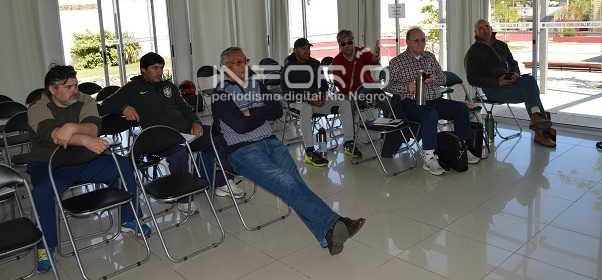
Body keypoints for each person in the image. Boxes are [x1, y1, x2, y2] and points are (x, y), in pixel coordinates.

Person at [213, 46, 365, 255]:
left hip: (271, 142)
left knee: (295, 185)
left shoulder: (256, 84)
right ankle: (337, 223)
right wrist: (261, 112)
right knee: (289, 184)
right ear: (225, 67)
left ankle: (328, 236)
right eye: (238, 62)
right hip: (243, 151)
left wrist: (251, 112)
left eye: (245, 61)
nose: (244, 66)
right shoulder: (220, 95)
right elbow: (240, 126)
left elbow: (276, 110)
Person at [27, 65, 151, 272]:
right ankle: (46, 246)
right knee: (42, 192)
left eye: (75, 85)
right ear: (52, 89)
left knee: (123, 166)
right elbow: (57, 136)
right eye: (68, 87)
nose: (75, 90)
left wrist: (73, 128)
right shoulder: (37, 107)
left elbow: (93, 127)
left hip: (83, 160)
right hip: (49, 164)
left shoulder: (85, 99)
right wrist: (84, 139)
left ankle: (130, 218)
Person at [100, 52, 244, 200]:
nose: (159, 72)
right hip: (159, 138)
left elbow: (185, 108)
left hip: (185, 132)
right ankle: (184, 199)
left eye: (161, 68)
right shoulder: (133, 88)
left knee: (218, 136)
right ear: (143, 69)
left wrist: (196, 122)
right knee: (179, 154)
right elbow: (104, 105)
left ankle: (217, 182)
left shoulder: (168, 86)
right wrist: (124, 107)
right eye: (155, 68)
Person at [384, 27, 480, 175]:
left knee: (461, 108)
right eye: (416, 41)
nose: (420, 44)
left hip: (434, 99)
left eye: (423, 40)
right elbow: (387, 86)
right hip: (411, 103)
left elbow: (443, 78)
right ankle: (429, 157)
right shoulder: (397, 62)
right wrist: (406, 87)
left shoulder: (429, 57)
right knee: (430, 114)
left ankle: (462, 148)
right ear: (407, 42)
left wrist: (432, 79)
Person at [465, 19, 556, 147]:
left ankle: (537, 119)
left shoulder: (501, 45)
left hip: (513, 83)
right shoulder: (474, 52)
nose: (485, 30)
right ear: (476, 33)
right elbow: (472, 79)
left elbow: (513, 63)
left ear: (491, 28)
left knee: (529, 80)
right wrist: (497, 82)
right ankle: (540, 128)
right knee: (531, 92)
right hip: (494, 89)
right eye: (481, 29)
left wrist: (515, 74)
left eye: (487, 27)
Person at [281, 38, 357, 167]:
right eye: (303, 49)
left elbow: (323, 86)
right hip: (297, 102)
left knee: (344, 102)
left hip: (316, 101)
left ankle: (348, 142)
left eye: (308, 48)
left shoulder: (315, 64)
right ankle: (310, 152)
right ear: (295, 50)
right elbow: (287, 93)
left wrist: (321, 96)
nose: (307, 51)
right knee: (306, 108)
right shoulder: (288, 68)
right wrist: (308, 98)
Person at [331, 29, 380, 96]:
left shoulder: (362, 52)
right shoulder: (337, 61)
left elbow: (373, 61)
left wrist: (376, 57)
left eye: (349, 42)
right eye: (343, 44)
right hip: (351, 95)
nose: (347, 46)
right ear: (339, 45)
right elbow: (338, 83)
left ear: (353, 42)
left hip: (369, 90)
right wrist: (352, 94)